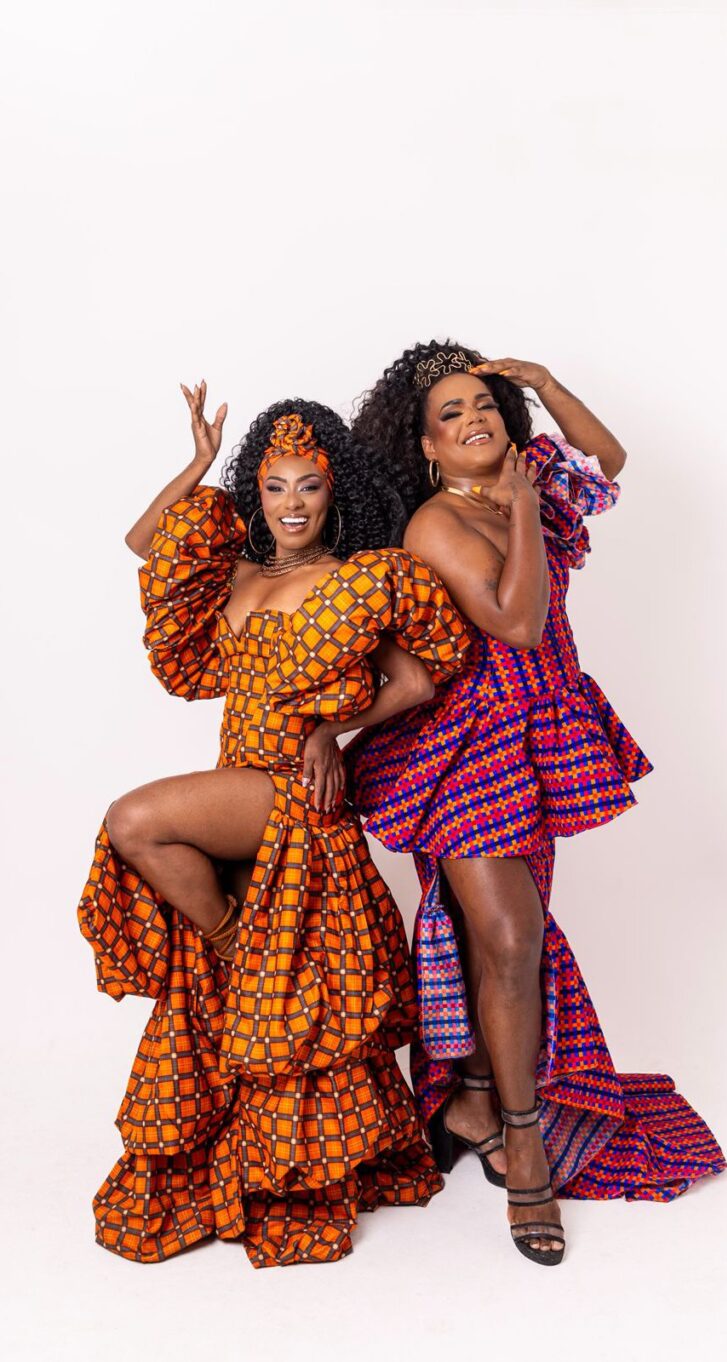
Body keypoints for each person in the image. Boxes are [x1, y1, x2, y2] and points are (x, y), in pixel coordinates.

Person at [347, 342, 726, 1266]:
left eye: (484, 403)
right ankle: (524, 1148)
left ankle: (471, 1098)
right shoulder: (439, 522)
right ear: (427, 447)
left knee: (498, 938)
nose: (474, 418)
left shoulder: (529, 486)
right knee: (513, 941)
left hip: (539, 734)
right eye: (451, 414)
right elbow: (517, 622)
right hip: (462, 747)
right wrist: (520, 506)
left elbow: (610, 461)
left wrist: (547, 387)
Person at [77, 382, 470, 1269]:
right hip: (237, 783)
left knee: (132, 821)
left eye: (310, 486)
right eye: (276, 486)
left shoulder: (361, 580)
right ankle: (241, 965)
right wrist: (199, 463)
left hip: (291, 791)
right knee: (165, 860)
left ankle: (231, 940)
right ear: (256, 491)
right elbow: (144, 543)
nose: (293, 504)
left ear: (337, 492)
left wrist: (334, 732)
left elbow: (418, 678)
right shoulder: (238, 572)